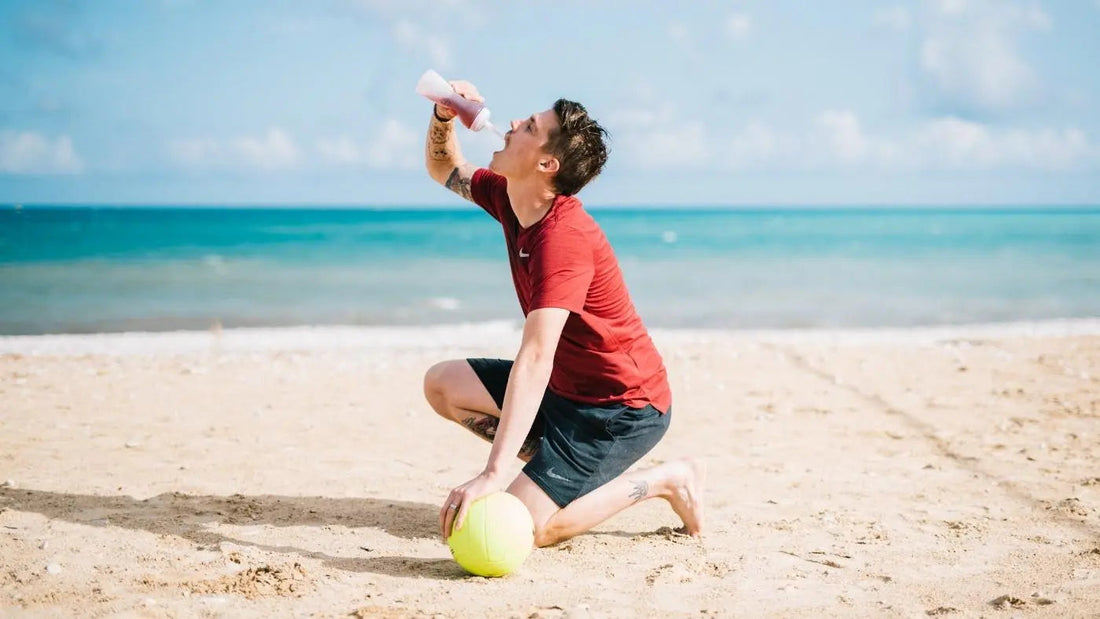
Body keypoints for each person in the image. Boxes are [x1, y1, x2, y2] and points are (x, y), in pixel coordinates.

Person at [421, 78, 705, 548]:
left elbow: (535, 358)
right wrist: (444, 115)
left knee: (534, 529)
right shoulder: (511, 196)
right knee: (442, 385)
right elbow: (444, 166)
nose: (511, 123)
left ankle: (666, 480)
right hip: (565, 394)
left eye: (529, 126)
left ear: (546, 164)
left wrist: (493, 473)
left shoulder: (563, 240)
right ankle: (554, 474)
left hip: (620, 409)